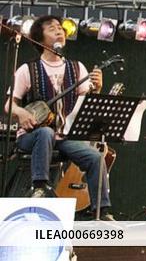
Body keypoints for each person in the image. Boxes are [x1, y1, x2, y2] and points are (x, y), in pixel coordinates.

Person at [4, 16, 113, 219]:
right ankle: (40, 186)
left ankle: (101, 210)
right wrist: (22, 113)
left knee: (95, 157)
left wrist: (98, 89)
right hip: (31, 135)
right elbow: (9, 105)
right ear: (39, 38)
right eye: (51, 28)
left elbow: (86, 104)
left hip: (63, 137)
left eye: (60, 28)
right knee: (45, 132)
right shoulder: (27, 69)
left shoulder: (77, 68)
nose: (59, 31)